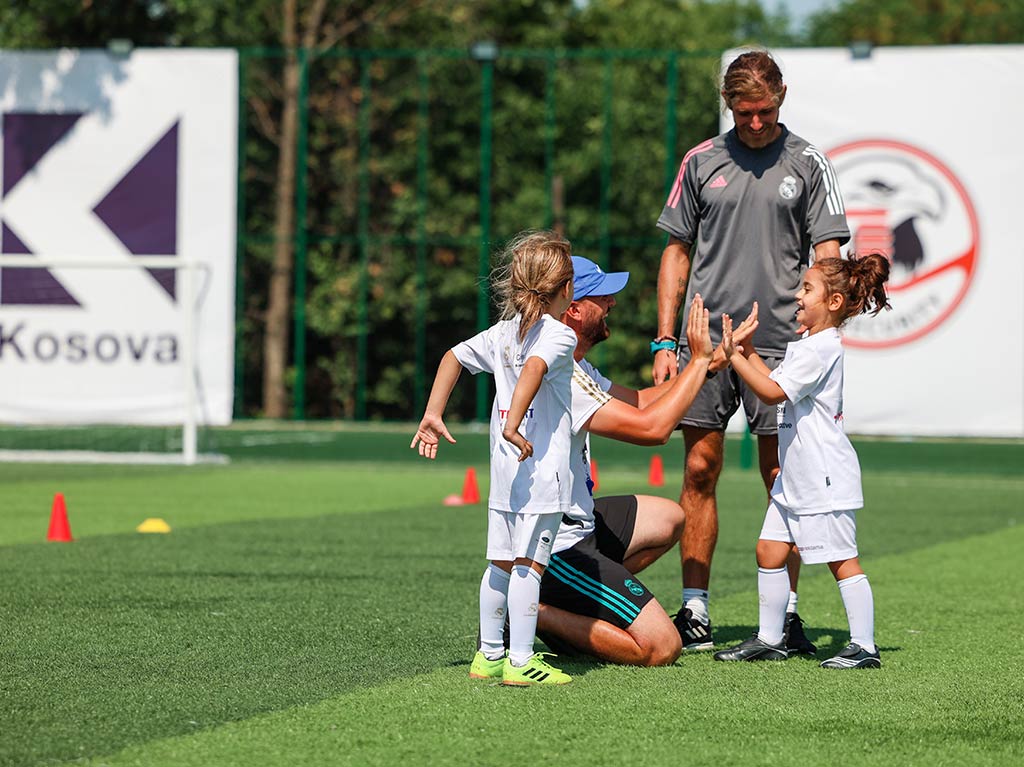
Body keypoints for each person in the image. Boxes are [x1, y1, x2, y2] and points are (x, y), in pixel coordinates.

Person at [653, 49, 850, 654]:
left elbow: (830, 258)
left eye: (764, 112)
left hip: (782, 346)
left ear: (781, 97)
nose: (756, 124)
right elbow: (676, 252)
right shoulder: (701, 160)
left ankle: (785, 616)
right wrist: (665, 338)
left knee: (780, 477)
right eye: (743, 114)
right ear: (728, 105)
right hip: (706, 342)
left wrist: (817, 336)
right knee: (698, 470)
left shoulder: (810, 162)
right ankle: (695, 610)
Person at [531, 256, 758, 666]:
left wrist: (710, 365)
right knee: (661, 647)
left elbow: (639, 401)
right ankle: (530, 613)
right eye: (604, 296)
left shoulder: (570, 361)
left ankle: (568, 604)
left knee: (669, 517)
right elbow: (651, 429)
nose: (613, 303)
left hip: (572, 521)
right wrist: (701, 361)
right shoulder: (559, 372)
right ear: (575, 309)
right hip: (556, 544)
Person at [411, 230, 577, 686]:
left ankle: (488, 655)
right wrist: (513, 423)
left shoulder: (502, 333)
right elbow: (536, 369)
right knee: (530, 565)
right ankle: (521, 661)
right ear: (566, 288)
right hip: (540, 472)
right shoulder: (559, 334)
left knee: (499, 564)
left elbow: (453, 357)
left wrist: (432, 413)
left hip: (505, 473)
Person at [712, 253, 891, 668]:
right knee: (769, 551)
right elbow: (775, 382)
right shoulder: (809, 345)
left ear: (833, 302)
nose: (798, 294)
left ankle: (864, 647)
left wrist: (734, 355)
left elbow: (772, 395)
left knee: (841, 559)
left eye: (807, 289)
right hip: (795, 478)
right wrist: (750, 351)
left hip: (822, 476)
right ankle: (770, 639)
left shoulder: (822, 348)